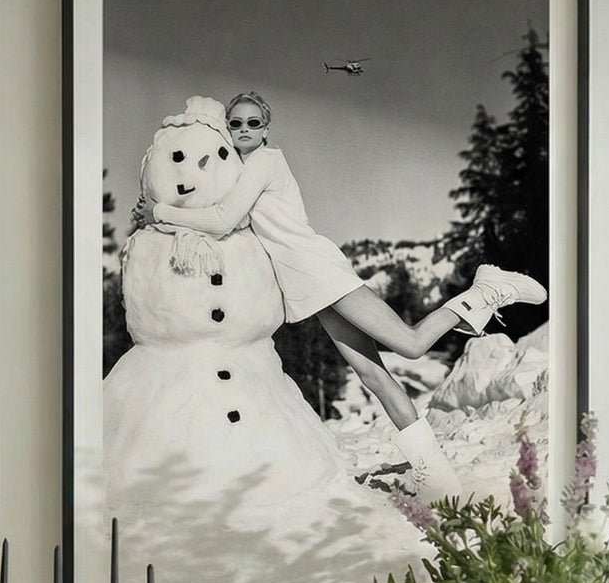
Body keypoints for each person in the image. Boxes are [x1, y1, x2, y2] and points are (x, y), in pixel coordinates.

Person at [137, 92, 546, 500]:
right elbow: (218, 208)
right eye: (236, 123)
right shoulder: (241, 172)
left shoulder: (264, 162)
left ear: (266, 130)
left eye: (253, 123)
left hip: (319, 271)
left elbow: (223, 219)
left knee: (410, 344)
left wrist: (159, 212)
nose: (244, 130)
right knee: (372, 375)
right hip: (307, 285)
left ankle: (485, 289)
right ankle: (435, 475)